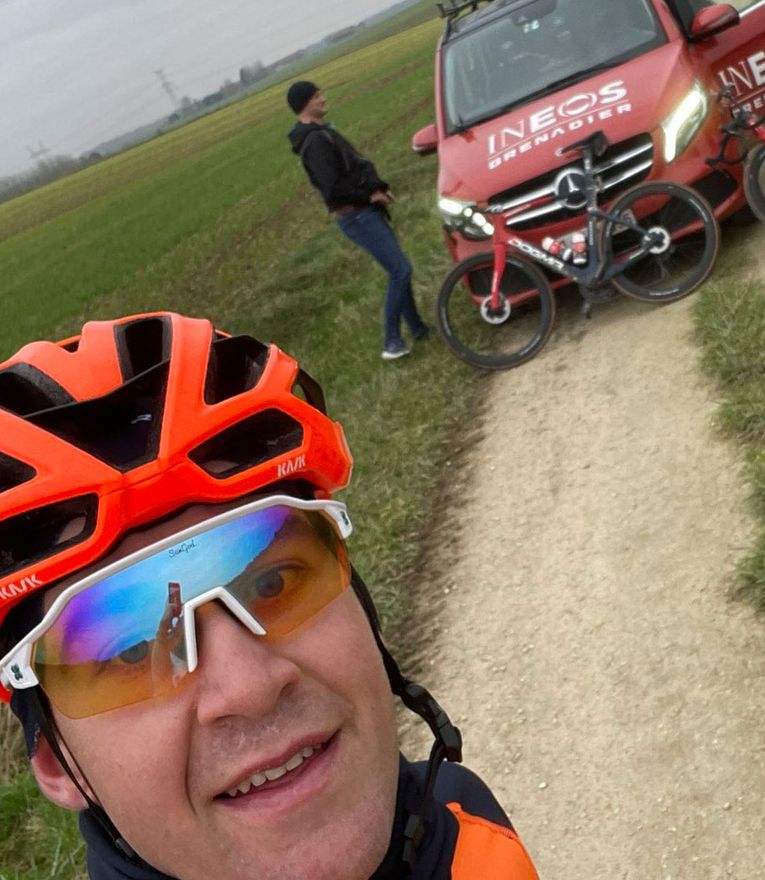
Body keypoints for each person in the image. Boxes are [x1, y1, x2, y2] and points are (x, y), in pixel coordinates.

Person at [0, 312, 539, 880]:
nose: (251, 689)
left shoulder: (467, 827)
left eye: (273, 583)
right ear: (55, 762)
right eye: (132, 649)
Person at [287, 80, 430, 360]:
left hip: (363, 210)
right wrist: (368, 196)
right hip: (356, 215)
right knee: (400, 269)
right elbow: (333, 189)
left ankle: (418, 330)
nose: (323, 99)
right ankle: (391, 342)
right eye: (317, 96)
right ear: (305, 104)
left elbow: (353, 169)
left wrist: (377, 187)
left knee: (397, 268)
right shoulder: (315, 142)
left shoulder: (322, 133)